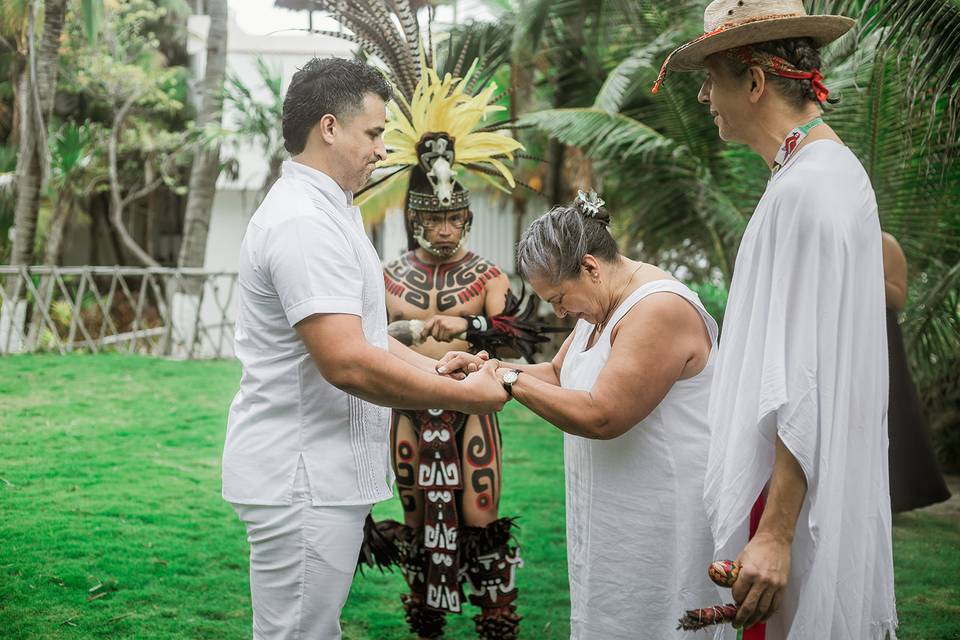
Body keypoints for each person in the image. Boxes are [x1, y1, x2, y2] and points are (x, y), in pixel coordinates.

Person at [220, 57, 507, 640]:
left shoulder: (330, 212)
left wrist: (446, 375)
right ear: (329, 128)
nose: (382, 150)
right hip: (301, 476)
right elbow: (346, 361)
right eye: (374, 133)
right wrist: (466, 399)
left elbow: (369, 340)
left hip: (320, 475)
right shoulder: (303, 222)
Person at [653, 0, 898, 637]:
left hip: (790, 501)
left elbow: (805, 377)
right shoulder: (818, 174)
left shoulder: (810, 189)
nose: (706, 96)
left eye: (712, 79)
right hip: (799, 490)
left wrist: (775, 533)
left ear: (756, 81)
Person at [444, 191, 732, 639]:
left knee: (657, 622)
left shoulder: (657, 308)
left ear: (591, 267)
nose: (558, 312)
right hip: (616, 513)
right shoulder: (599, 303)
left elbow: (603, 415)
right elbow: (560, 373)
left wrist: (509, 382)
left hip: (662, 517)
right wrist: (492, 367)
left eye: (559, 298)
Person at [882, 232, 951, 513]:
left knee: (894, 412)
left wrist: (860, 269)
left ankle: (901, 495)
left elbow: (898, 297)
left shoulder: (887, 244)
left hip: (882, 334)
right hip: (843, 333)